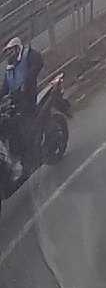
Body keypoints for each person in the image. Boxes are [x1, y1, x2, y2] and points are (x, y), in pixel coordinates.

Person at [1, 37, 44, 182]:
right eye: (7, 52)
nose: (9, 54)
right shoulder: (10, 68)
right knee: (7, 124)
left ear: (17, 48)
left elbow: (37, 64)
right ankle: (16, 157)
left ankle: (27, 158)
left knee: (19, 125)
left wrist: (27, 83)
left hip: (29, 98)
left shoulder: (29, 56)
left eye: (11, 51)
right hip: (16, 101)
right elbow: (5, 88)